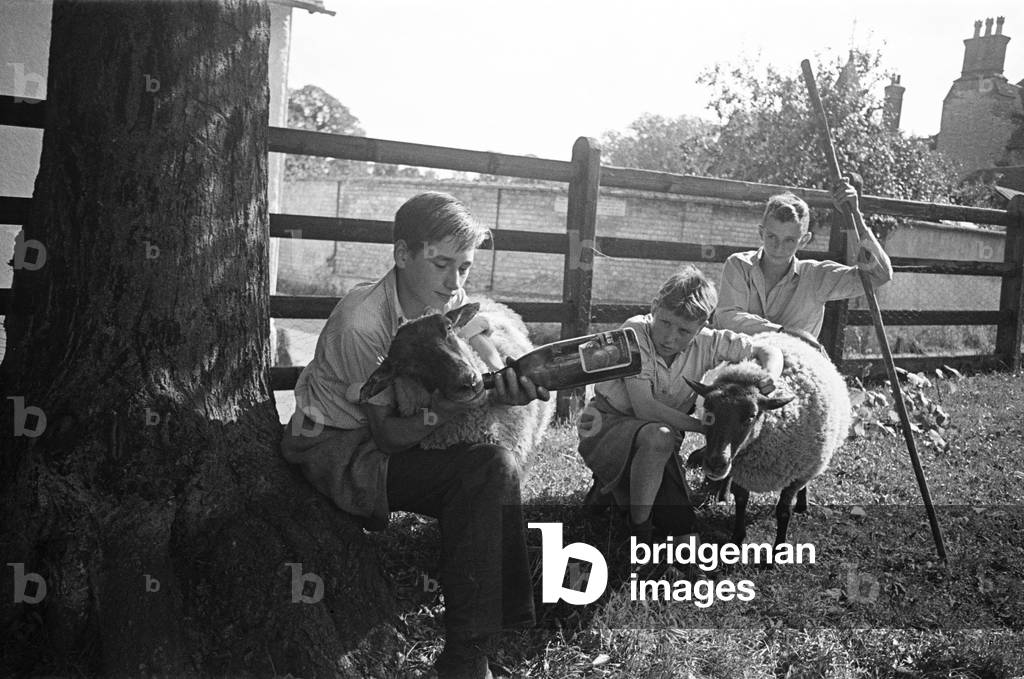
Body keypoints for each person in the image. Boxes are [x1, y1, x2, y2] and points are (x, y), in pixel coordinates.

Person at [280, 192, 549, 679]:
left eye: (464, 267)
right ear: (403, 254)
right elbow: (386, 439)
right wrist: (444, 412)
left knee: (492, 465)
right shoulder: (364, 324)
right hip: (345, 450)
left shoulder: (446, 302)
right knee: (488, 471)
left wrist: (508, 388)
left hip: (402, 431)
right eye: (441, 263)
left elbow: (479, 358)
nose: (455, 282)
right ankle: (468, 661)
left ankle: (478, 647)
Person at [577, 266, 783, 541]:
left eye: (684, 330)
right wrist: (707, 427)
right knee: (659, 438)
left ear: (702, 327)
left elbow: (767, 348)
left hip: (659, 438)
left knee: (682, 524)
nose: (670, 337)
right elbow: (645, 408)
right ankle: (641, 531)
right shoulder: (635, 333)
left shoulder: (708, 342)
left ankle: (613, 492)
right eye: (664, 322)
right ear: (654, 308)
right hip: (606, 424)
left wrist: (770, 376)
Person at [714, 176, 893, 349]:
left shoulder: (817, 277)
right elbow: (728, 318)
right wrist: (785, 333)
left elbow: (880, 275)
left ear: (804, 240)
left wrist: (854, 214)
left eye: (789, 240)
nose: (778, 247)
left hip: (795, 369)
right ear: (761, 233)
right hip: (741, 368)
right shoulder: (738, 265)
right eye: (772, 237)